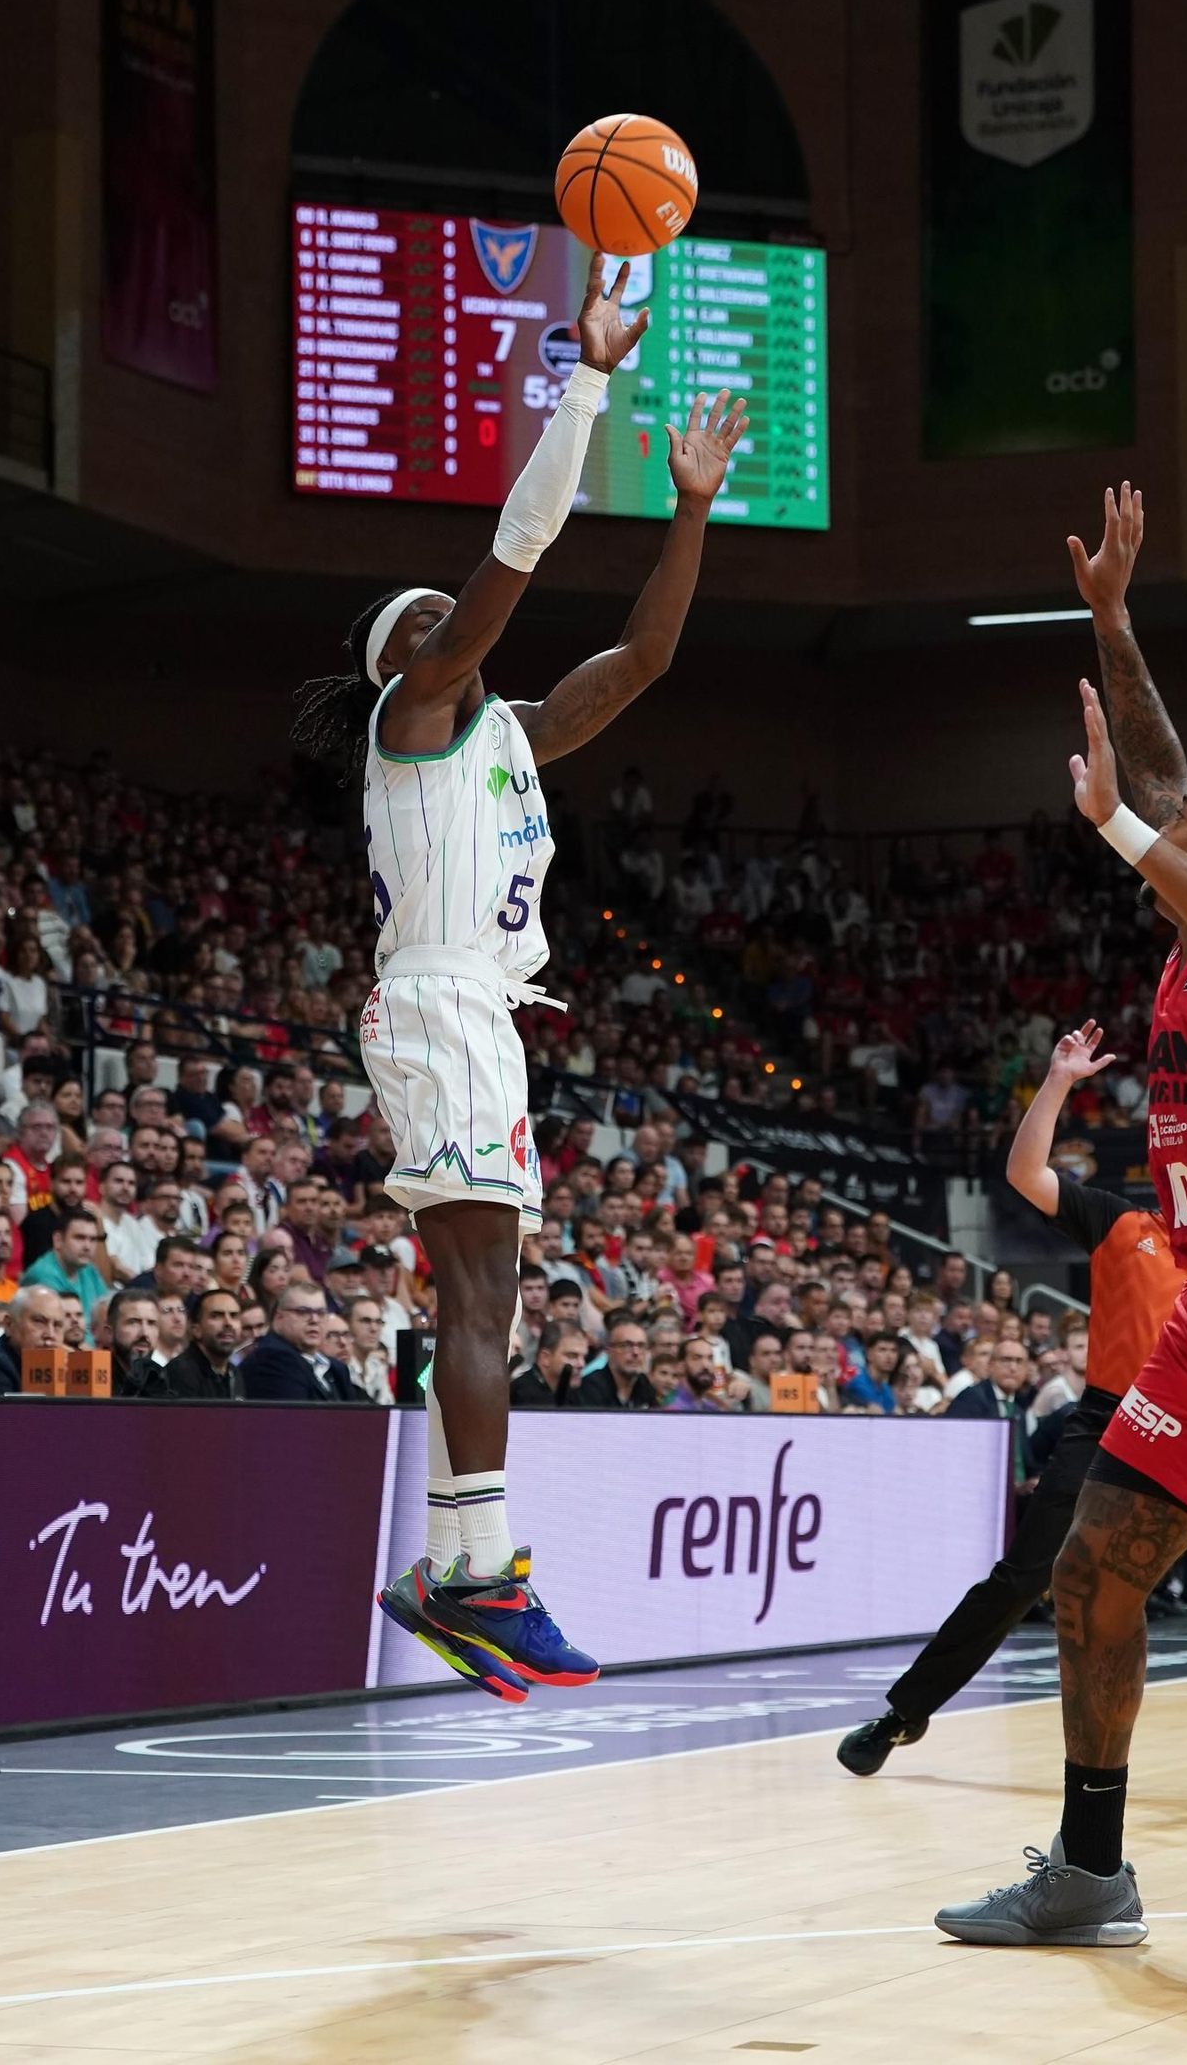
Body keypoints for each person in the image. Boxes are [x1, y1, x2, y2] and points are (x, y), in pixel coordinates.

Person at [294, 258, 747, 1699]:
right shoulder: (418, 708)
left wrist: (687, 508)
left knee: (488, 1291)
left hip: (472, 1010)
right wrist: (590, 382)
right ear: (404, 662)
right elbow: (520, 546)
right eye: (433, 617)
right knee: (482, 1296)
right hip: (436, 999)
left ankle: (463, 1565)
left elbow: (654, 655)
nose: (457, 625)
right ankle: (469, 1575)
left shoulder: (505, 736)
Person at [937, 481, 1187, 1947]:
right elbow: (1166, 776)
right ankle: (1093, 1869)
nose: (1176, 812)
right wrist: (1111, 616)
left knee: (1105, 1560)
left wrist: (1116, 832)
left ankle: (1093, 1870)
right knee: (1097, 1563)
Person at [844, 1018, 1187, 1797]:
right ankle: (903, 1712)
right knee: (1025, 1573)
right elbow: (1025, 1170)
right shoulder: (1120, 1222)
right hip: (1113, 1427)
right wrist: (1060, 1081)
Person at [240, 1282, 353, 1401]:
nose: (314, 1320)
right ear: (279, 1318)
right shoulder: (271, 1358)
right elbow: (296, 1418)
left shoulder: (336, 1368)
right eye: (303, 1312)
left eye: (320, 1313)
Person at [22, 1205, 110, 1313]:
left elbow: (106, 1312)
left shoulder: (89, 1269)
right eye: (80, 1238)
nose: (87, 1246)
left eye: (92, 1239)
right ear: (58, 1240)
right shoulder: (43, 1275)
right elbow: (61, 1325)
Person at [165, 1287, 246, 1399]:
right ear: (196, 1329)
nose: (228, 1323)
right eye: (216, 1316)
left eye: (234, 1316)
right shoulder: (180, 1372)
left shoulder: (234, 1373)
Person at [572, 1314, 656, 1409]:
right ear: (609, 1351)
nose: (635, 1352)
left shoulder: (643, 1383)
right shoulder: (590, 1387)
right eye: (626, 1345)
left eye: (641, 1346)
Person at [101, 1287, 170, 1398]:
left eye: (151, 1323)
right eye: (133, 1322)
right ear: (109, 1333)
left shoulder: (164, 1377)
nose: (144, 1333)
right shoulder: (96, 1378)